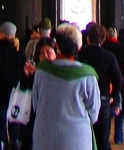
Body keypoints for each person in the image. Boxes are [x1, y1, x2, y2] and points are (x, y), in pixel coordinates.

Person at [32, 22, 100, 150]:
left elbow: (36, 104)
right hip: (77, 138)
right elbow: (94, 113)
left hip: (45, 136)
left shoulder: (42, 71)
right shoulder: (88, 75)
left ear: (57, 46)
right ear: (79, 47)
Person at [79, 22, 123, 150]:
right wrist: (113, 96)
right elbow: (118, 80)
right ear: (103, 39)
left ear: (87, 38)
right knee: (103, 140)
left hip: (82, 100)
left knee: (85, 139)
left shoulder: (80, 55)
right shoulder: (109, 57)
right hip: (102, 99)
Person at [0, 21, 25, 150]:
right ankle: (14, 141)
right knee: (13, 117)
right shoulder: (19, 52)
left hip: (0, 90)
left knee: (0, 117)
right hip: (15, 90)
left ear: (3, 34)